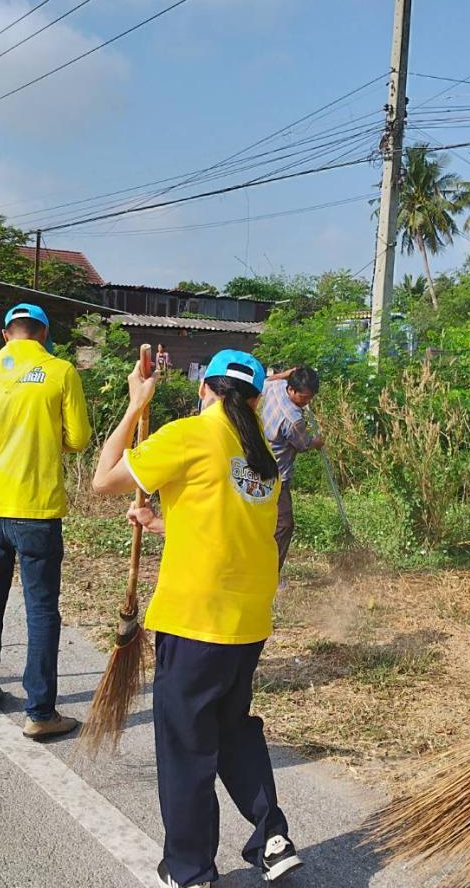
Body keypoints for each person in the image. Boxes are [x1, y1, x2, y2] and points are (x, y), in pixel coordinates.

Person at [93, 350, 302, 888]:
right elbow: (226, 526)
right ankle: (271, 837)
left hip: (195, 621)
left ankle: (189, 870)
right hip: (247, 620)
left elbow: (103, 479)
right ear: (258, 398)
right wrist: (160, 522)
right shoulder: (261, 453)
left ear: (205, 389)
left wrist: (135, 404)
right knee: (232, 730)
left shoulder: (190, 433)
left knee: (187, 746)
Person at [0, 303, 92, 741]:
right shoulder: (60, 371)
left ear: (5, 335)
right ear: (44, 334)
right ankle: (40, 711)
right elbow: (79, 438)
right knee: (41, 609)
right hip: (38, 511)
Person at [260, 365, 322, 571]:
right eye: (303, 398)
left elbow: (268, 380)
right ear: (292, 390)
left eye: (310, 398)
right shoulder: (294, 419)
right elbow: (303, 444)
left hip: (254, 461)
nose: (307, 402)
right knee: (284, 524)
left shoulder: (276, 386)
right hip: (276, 474)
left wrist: (287, 373)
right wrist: (317, 442)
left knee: (260, 519)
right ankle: (269, 574)